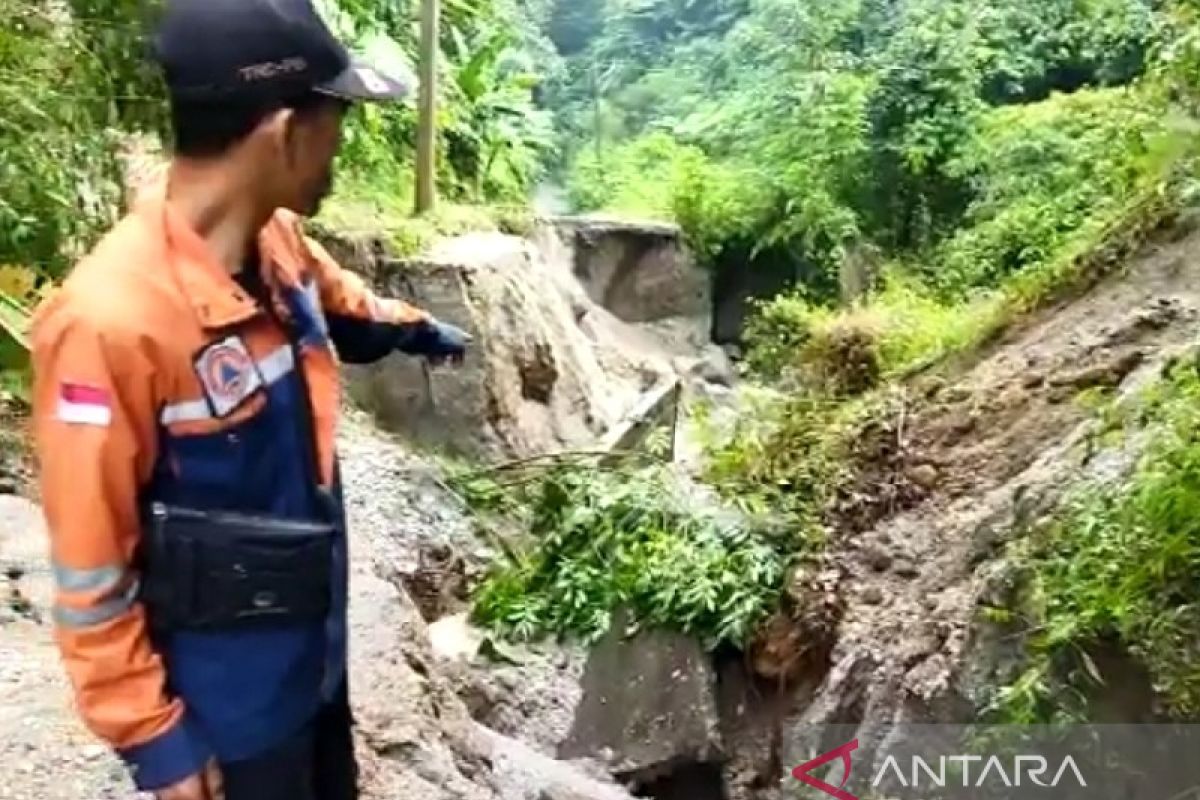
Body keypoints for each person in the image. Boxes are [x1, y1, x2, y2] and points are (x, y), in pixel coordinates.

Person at [28, 1, 469, 798]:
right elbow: (92, 573)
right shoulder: (108, 325)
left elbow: (346, 306)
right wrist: (156, 742)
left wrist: (419, 329)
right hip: (227, 723)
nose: (341, 143)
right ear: (283, 131)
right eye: (337, 117)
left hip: (313, 668)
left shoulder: (276, 243)